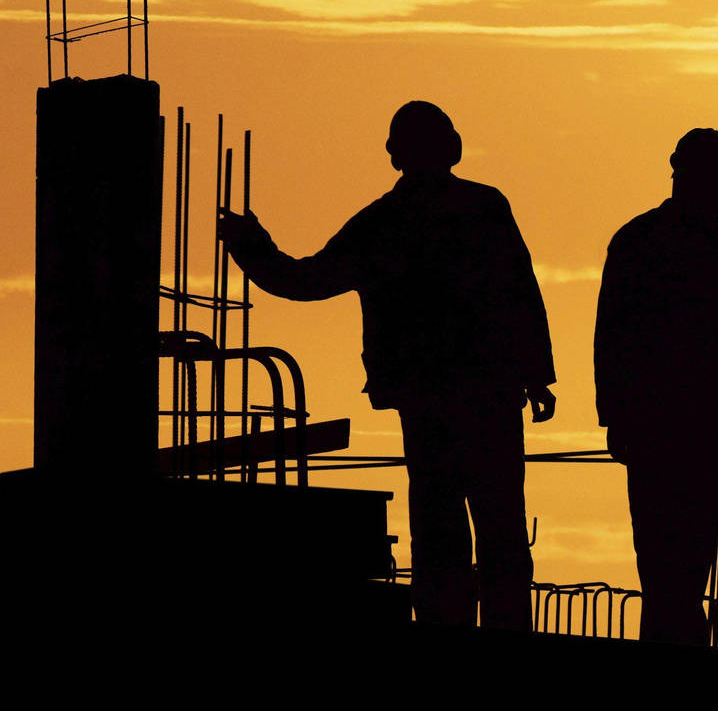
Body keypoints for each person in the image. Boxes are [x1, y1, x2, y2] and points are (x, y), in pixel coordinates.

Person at [219, 101, 555, 630]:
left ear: (396, 154)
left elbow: (306, 280)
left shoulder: (387, 222)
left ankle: (453, 629)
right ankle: (505, 632)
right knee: (497, 525)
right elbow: (521, 295)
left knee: (445, 526)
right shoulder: (480, 208)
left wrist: (252, 250)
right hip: (482, 394)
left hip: (433, 397)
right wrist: (537, 375)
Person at [594, 127, 718, 646]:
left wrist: (616, 418)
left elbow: (612, 338)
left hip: (662, 431)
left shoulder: (637, 241)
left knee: (665, 568)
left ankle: (674, 647)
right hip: (694, 433)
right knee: (684, 569)